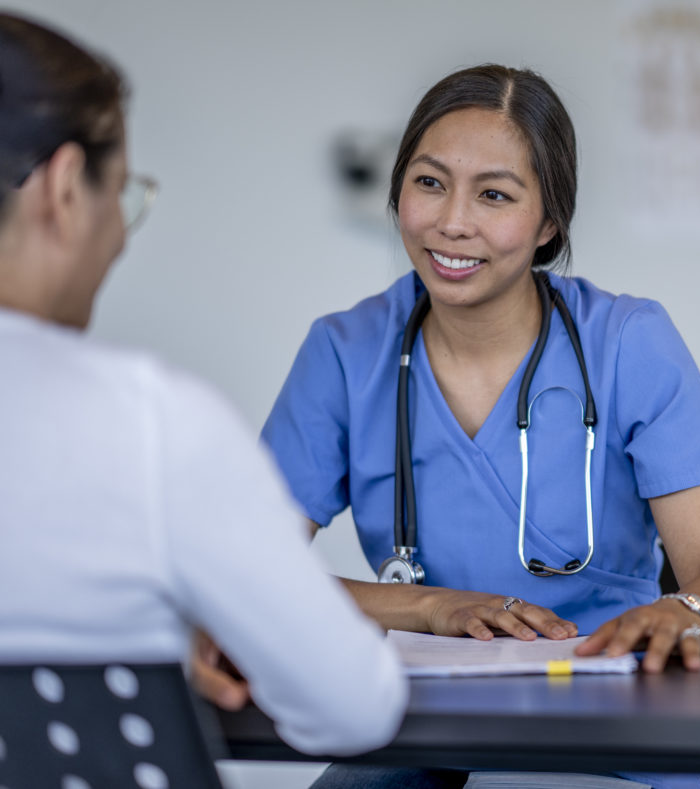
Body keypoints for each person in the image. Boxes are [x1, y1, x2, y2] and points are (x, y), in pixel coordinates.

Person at [262, 64, 700, 788]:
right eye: (430, 182)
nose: (452, 221)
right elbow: (253, 575)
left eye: (494, 194)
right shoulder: (345, 353)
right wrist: (431, 606)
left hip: (610, 718)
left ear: (548, 223)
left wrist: (680, 610)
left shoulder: (628, 341)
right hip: (422, 725)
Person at [0, 11, 407, 757]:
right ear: (62, 190)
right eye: (121, 195)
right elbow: (356, 707)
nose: (121, 235)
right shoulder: (153, 423)